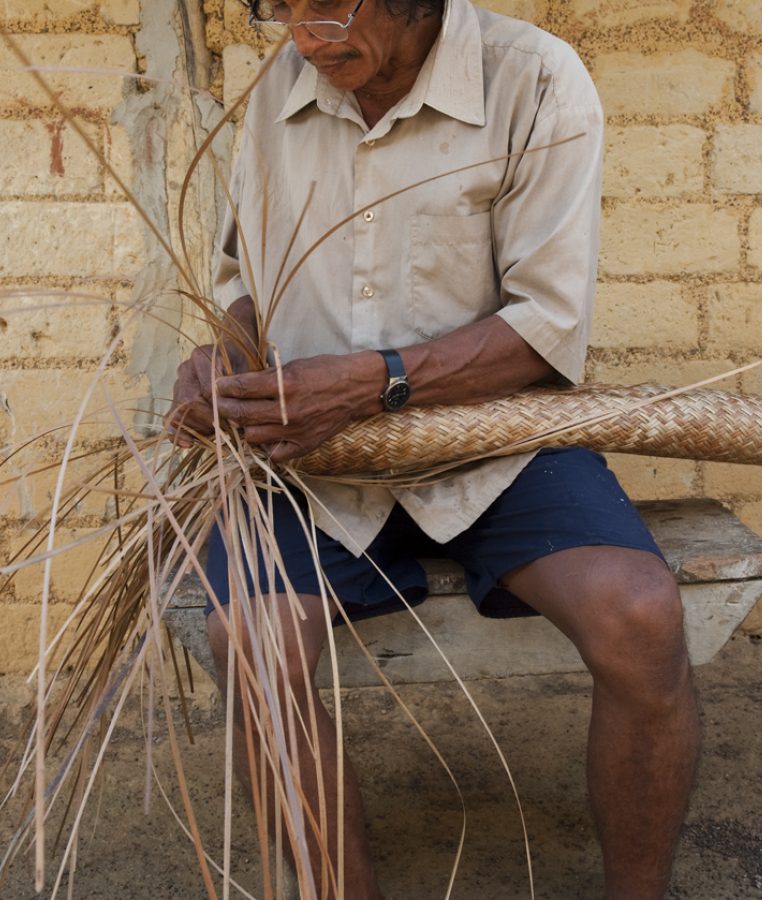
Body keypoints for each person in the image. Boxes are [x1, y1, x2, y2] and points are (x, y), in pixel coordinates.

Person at [168, 0, 701, 896]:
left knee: (642, 617)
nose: (302, 36)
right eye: (278, 8)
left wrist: (374, 382)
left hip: (493, 437)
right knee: (253, 644)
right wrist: (223, 357)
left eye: (326, 4)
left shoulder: (532, 79)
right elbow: (248, 289)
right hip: (311, 454)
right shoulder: (276, 95)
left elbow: (546, 329)